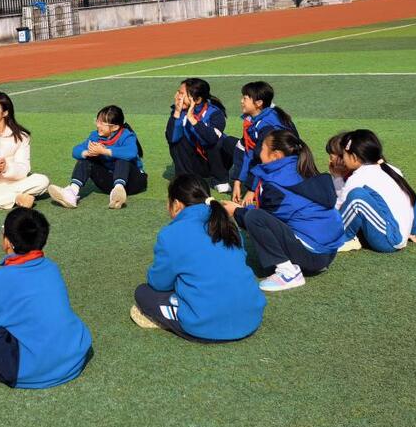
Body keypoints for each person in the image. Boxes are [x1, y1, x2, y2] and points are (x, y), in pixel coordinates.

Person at [0, 208, 92, 389]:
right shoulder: (52, 268)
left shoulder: (2, 278)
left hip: (33, 370)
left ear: (8, 242)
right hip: (74, 357)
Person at [131, 175, 265, 341]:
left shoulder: (172, 233)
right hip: (251, 316)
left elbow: (158, 283)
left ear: (176, 204)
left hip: (205, 324)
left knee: (143, 293)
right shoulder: (228, 224)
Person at [223, 130, 345, 292]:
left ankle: (288, 273)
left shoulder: (277, 182)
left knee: (254, 217)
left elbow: (263, 219)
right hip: (328, 254)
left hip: (313, 256)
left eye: (263, 148)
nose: (259, 152)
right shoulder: (301, 168)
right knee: (256, 215)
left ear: (276, 156)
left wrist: (237, 211)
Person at [337, 129, 416, 252]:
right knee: (401, 191)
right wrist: (413, 231)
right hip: (397, 235)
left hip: (389, 241)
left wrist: (336, 177)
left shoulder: (358, 177)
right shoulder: (392, 170)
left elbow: (339, 209)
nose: (342, 159)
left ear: (354, 157)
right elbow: (413, 197)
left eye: (343, 155)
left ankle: (339, 240)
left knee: (357, 198)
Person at [49, 105, 147, 209]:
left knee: (122, 158)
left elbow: (131, 152)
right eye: (97, 121)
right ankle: (71, 192)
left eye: (102, 123)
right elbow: (76, 151)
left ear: (115, 127)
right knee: (86, 159)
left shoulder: (126, 136)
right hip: (110, 183)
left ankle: (118, 190)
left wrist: (104, 151)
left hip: (133, 182)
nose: (98, 125)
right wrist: (87, 153)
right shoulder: (95, 136)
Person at [230, 81, 297, 203]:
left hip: (285, 167)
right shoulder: (254, 120)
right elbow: (247, 151)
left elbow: (263, 159)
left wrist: (252, 190)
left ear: (259, 103)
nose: (241, 101)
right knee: (239, 146)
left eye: (245, 98)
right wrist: (237, 182)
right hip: (275, 162)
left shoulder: (268, 126)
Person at [164, 79, 231, 193]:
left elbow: (212, 139)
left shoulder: (215, 113)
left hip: (217, 160)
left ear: (197, 99)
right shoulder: (179, 112)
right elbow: (171, 138)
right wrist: (176, 113)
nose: (177, 96)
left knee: (212, 138)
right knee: (177, 140)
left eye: (181, 93)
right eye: (178, 92)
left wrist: (192, 119)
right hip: (196, 163)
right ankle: (186, 179)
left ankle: (220, 179)